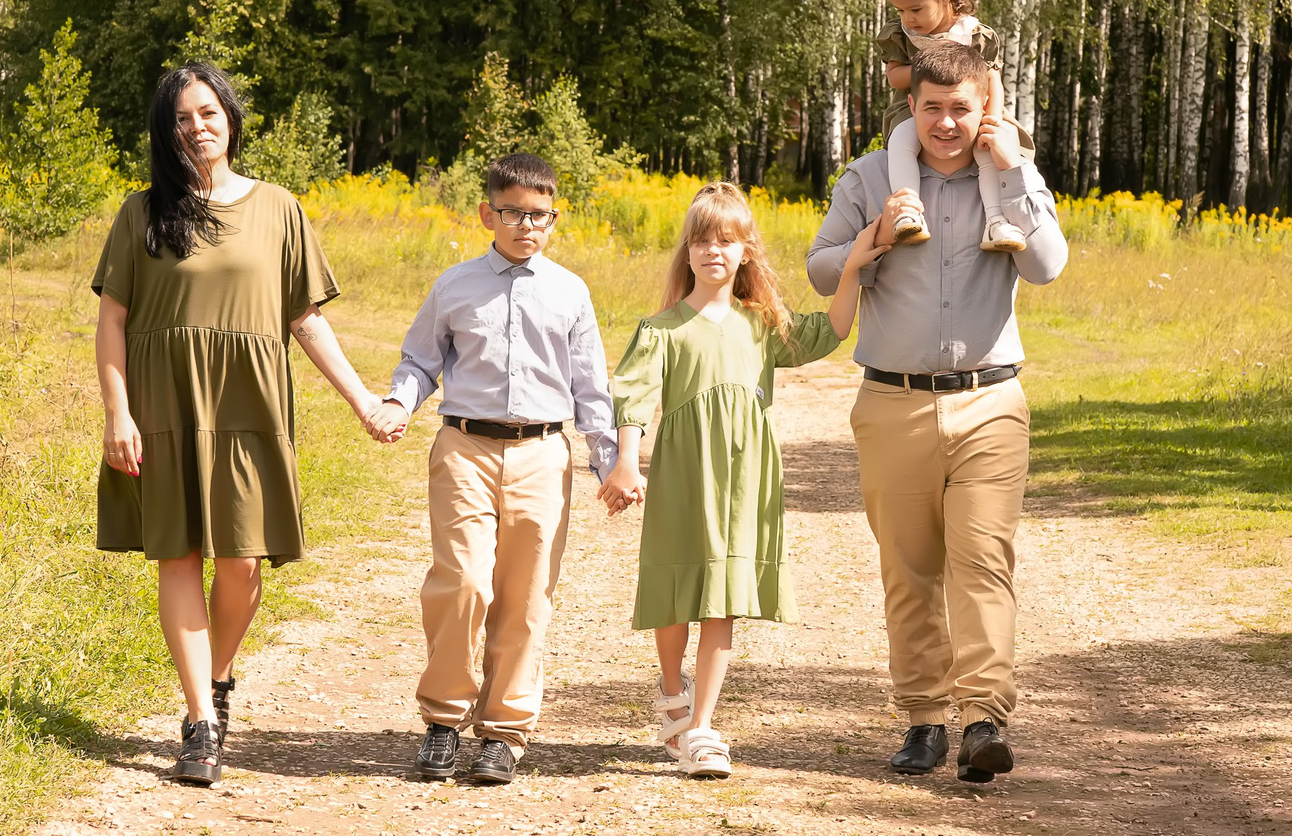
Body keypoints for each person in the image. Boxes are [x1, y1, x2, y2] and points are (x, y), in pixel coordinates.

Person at [94, 62, 391, 787]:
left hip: (249, 405)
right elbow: (112, 319)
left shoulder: (279, 207)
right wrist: (117, 413)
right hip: (164, 401)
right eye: (182, 118)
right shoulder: (142, 212)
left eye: (208, 111)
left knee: (243, 561)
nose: (197, 127)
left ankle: (217, 679)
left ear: (230, 115)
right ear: (167, 133)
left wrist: (364, 401)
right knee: (178, 555)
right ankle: (200, 722)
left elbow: (304, 319)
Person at [806, 39, 1068, 783]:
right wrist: (875, 236)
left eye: (960, 109)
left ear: (985, 109)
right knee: (910, 568)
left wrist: (1013, 175)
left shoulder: (1013, 174)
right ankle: (924, 719)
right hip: (894, 402)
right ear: (912, 108)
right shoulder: (869, 179)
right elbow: (822, 266)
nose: (945, 123)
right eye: (932, 109)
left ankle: (984, 718)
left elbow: (1046, 265)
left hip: (991, 400)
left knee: (984, 563)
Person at [597, 184, 886, 778]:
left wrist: (853, 267)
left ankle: (702, 726)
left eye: (726, 241)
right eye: (701, 240)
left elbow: (829, 330)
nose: (713, 251)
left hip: (745, 479)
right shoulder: (663, 329)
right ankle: (672, 694)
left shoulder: (764, 324)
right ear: (687, 252)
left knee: (724, 595)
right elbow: (630, 397)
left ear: (746, 251)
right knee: (678, 591)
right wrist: (627, 461)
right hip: (683, 474)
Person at [369, 153, 617, 787]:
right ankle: (444, 721)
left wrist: (608, 461)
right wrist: (399, 401)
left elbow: (591, 387)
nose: (526, 226)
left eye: (540, 216)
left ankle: (504, 732)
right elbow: (421, 361)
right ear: (488, 213)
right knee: (462, 583)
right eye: (513, 213)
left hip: (542, 454)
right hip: (465, 450)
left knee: (527, 595)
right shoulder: (454, 286)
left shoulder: (571, 292)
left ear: (554, 219)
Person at [869, 0, 1033, 254]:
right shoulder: (901, 34)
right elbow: (895, 76)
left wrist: (992, 119)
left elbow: (992, 78)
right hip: (915, 110)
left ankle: (996, 221)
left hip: (973, 110)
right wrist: (934, 56)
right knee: (903, 142)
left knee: (989, 154)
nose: (908, 18)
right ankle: (908, 210)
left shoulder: (974, 33)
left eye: (916, 9)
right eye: (900, 10)